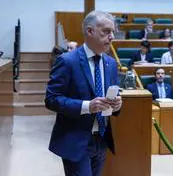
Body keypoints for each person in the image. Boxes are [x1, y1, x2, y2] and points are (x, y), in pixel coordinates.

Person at [45, 11, 122, 176]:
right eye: (106, 31)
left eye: (113, 32)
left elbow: (112, 95)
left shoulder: (111, 63)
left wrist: (117, 105)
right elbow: (51, 99)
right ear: (90, 31)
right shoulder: (67, 61)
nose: (112, 37)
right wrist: (87, 106)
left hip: (101, 138)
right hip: (76, 139)